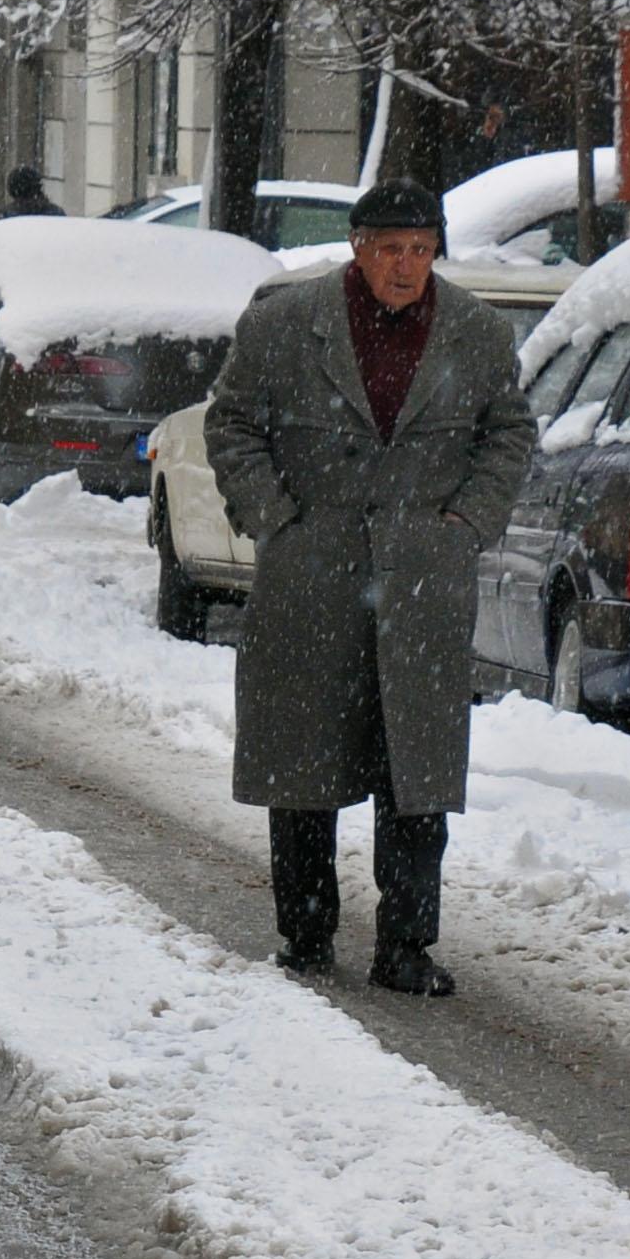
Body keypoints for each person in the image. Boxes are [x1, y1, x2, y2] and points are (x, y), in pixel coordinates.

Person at [204, 177, 536, 996]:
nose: (405, 266)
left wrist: (466, 525)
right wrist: (275, 516)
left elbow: (508, 435)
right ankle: (307, 931)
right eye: (390, 248)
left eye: (421, 250)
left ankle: (406, 946)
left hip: (423, 578)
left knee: (415, 771)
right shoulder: (286, 324)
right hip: (312, 572)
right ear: (357, 246)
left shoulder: (478, 334)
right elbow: (232, 421)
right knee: (305, 763)